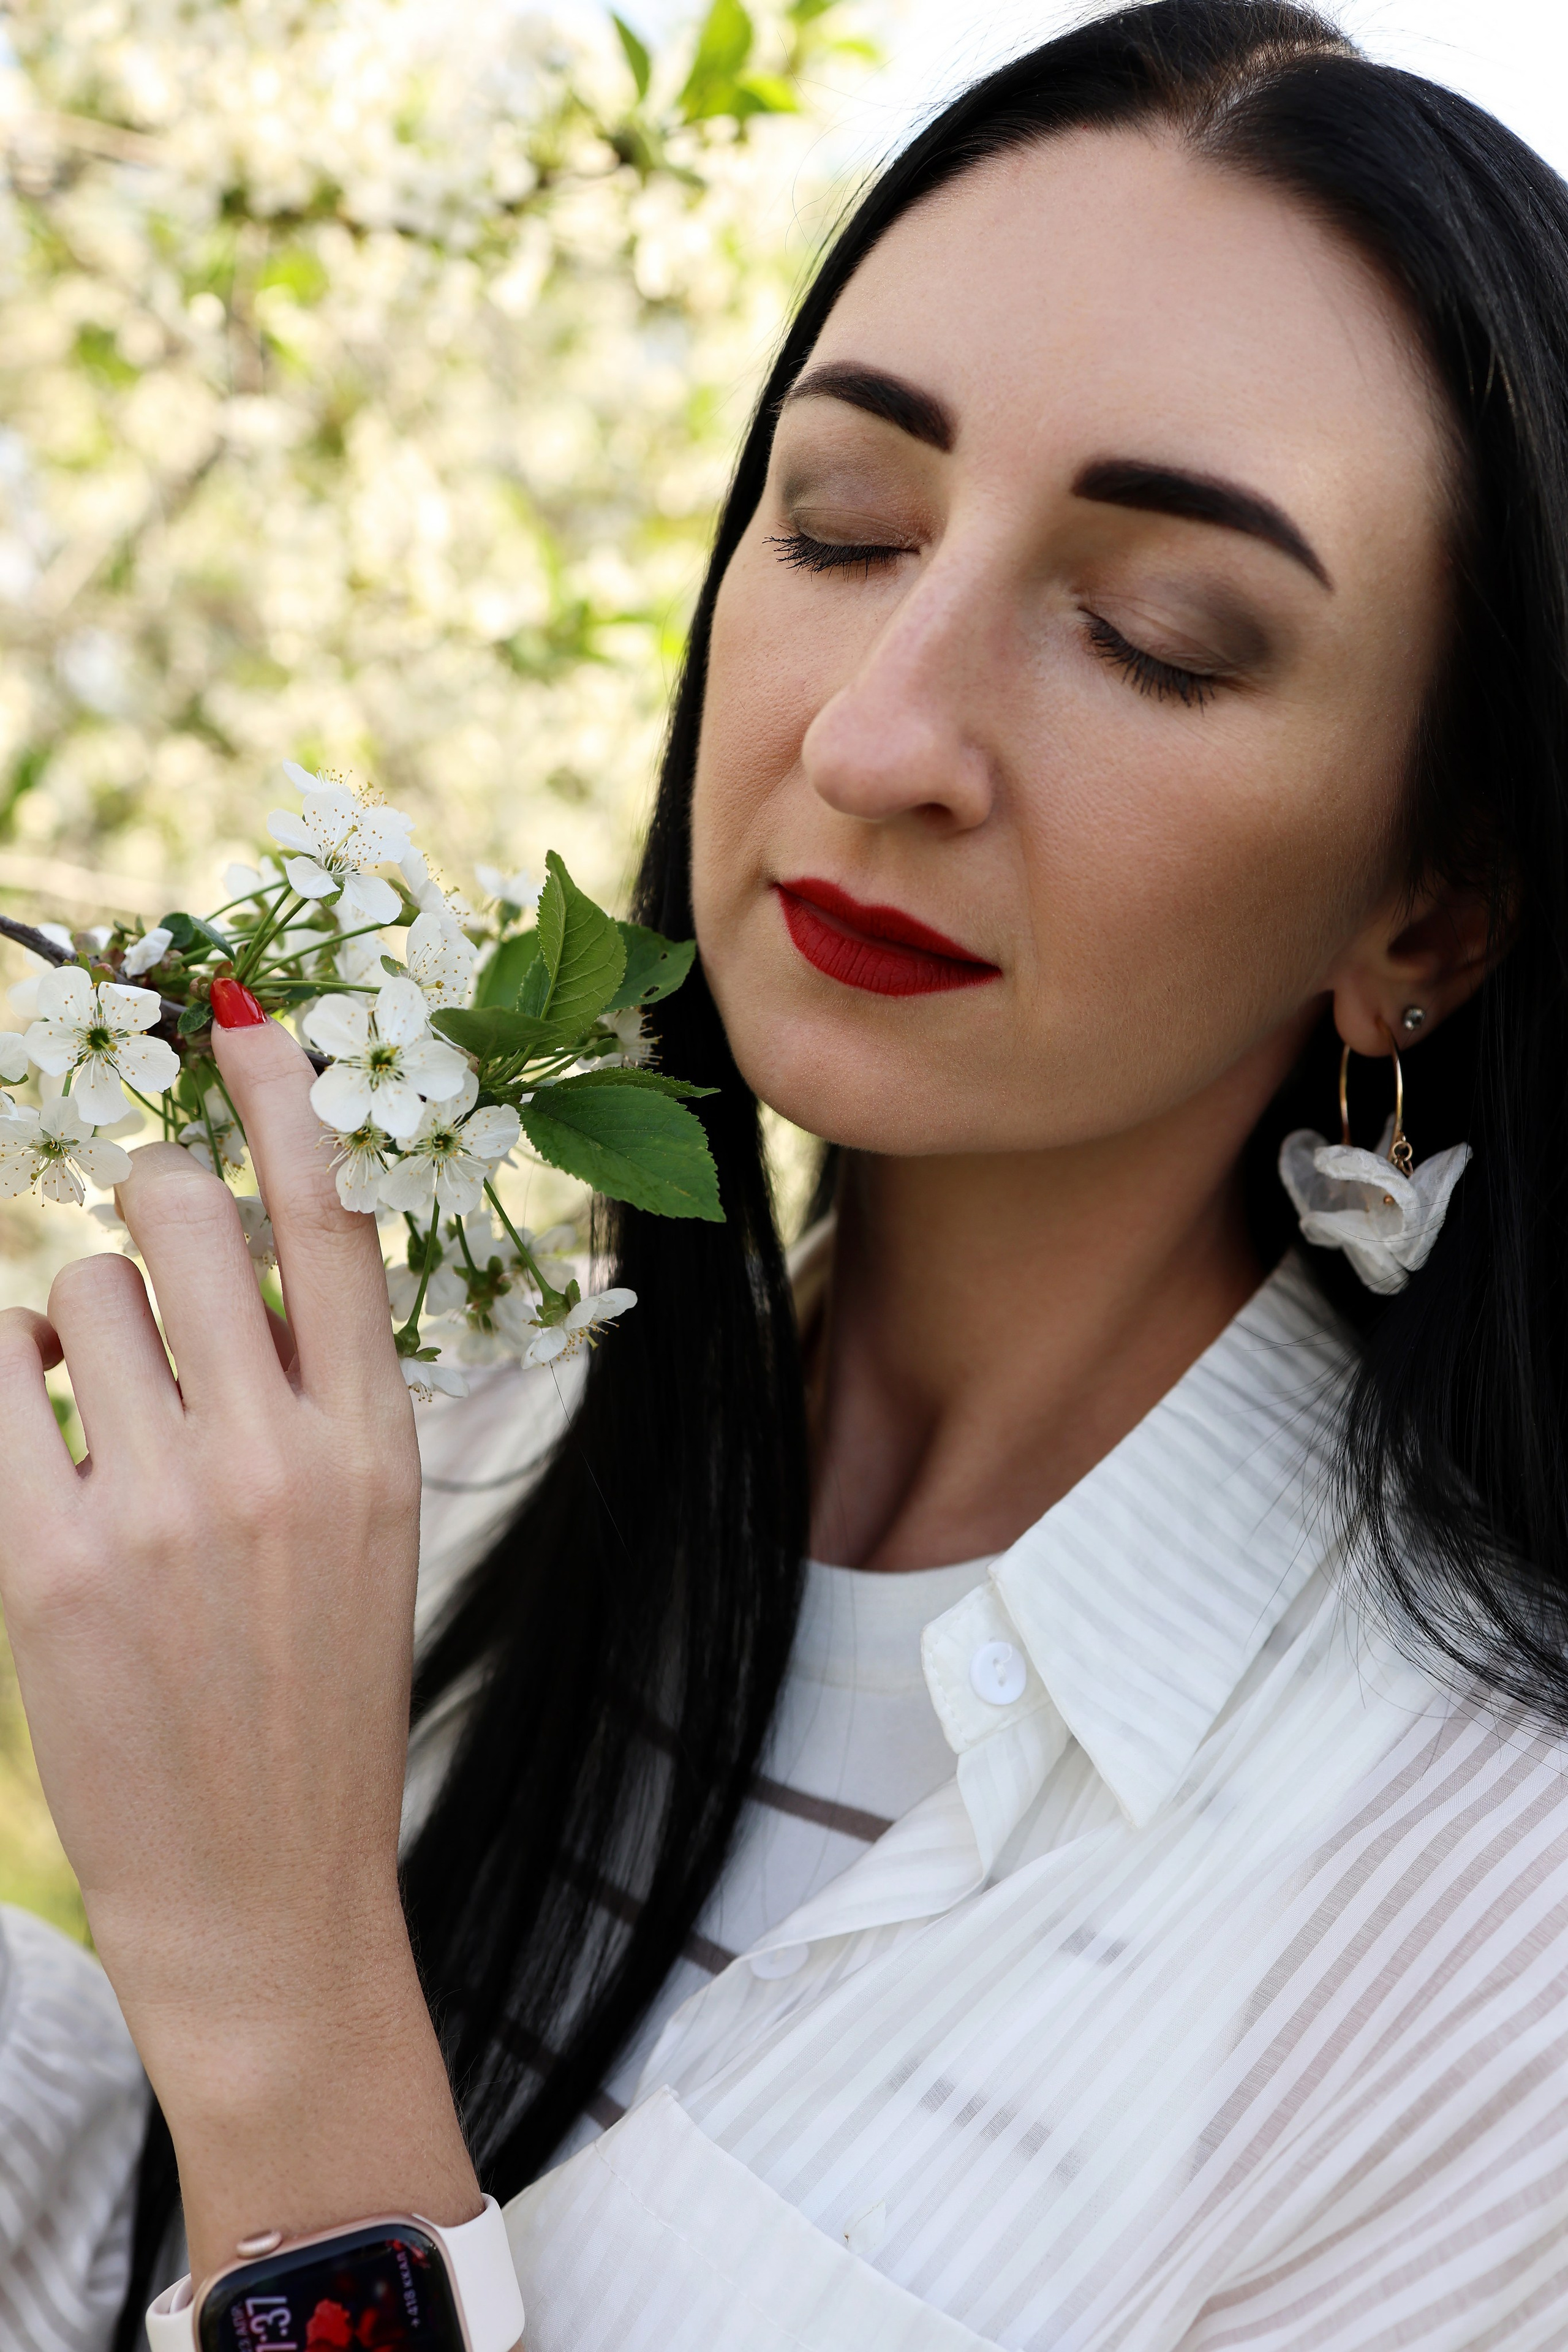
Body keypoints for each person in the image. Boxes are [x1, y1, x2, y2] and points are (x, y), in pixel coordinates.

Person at [6, 0, 1568, 2343]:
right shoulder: (435, 1461)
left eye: (1157, 642)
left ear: (1423, 914)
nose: (879, 732)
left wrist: (281, 2001)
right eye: (843, 523)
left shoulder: (1486, 1938)